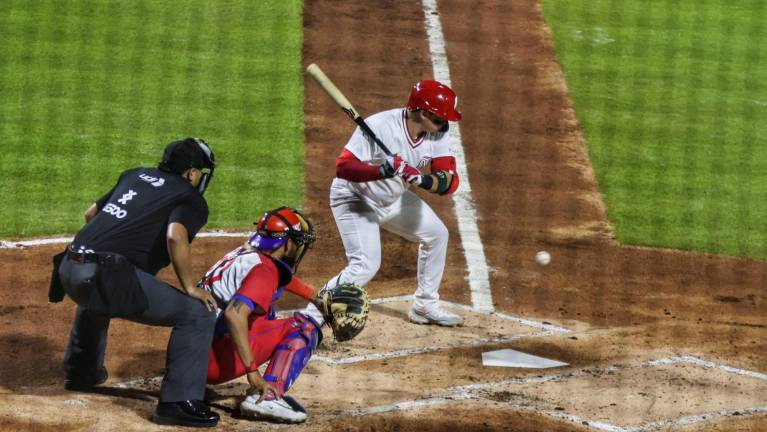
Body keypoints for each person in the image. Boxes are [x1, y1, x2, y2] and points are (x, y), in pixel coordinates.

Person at [53, 137, 221, 427]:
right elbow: (175, 236)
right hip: (101, 275)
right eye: (200, 173)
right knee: (197, 313)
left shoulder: (134, 174)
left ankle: (81, 371)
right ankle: (177, 404)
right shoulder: (190, 196)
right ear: (192, 173)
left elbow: (91, 214)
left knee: (104, 290)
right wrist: (191, 287)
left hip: (68, 267)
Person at [312, 79, 465, 327]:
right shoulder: (380, 125)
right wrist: (382, 169)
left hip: (392, 199)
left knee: (437, 234)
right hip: (354, 198)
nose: (443, 125)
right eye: (439, 119)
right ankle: (311, 315)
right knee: (365, 264)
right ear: (422, 112)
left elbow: (450, 180)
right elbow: (343, 167)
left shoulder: (438, 134)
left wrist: (422, 180)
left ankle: (425, 305)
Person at [201, 207, 321, 424]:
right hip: (210, 363)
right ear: (286, 244)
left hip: (186, 358)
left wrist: (315, 296)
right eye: (297, 241)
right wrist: (252, 372)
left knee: (262, 311)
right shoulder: (265, 271)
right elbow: (234, 315)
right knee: (303, 327)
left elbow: (276, 277)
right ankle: (267, 396)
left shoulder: (246, 254)